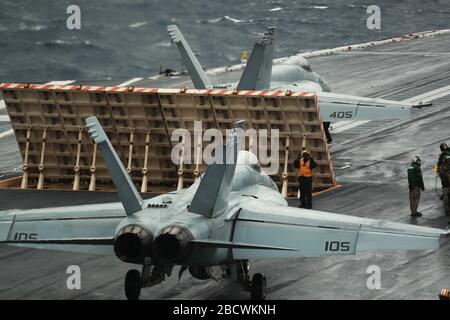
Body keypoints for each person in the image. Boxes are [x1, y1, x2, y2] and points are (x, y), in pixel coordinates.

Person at [436, 143, 450, 215]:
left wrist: (438, 171)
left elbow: (438, 166)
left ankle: (447, 209)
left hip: (443, 174)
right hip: (446, 174)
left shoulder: (441, 156)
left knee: (445, 190)